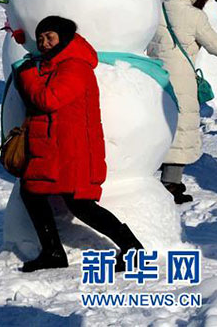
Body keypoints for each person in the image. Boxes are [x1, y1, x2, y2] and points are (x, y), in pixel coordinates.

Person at [15, 16, 143, 273]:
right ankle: (54, 251)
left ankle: (133, 249)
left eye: (50, 37)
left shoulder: (74, 66)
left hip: (71, 150)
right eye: (40, 39)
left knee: (80, 204)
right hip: (57, 148)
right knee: (34, 193)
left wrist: (28, 75)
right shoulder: (57, 65)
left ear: (64, 37)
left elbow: (48, 99)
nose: (44, 43)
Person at [147, 0, 217, 203]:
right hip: (181, 79)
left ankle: (154, 175)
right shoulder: (193, 15)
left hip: (154, 77)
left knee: (159, 124)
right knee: (181, 127)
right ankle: (171, 183)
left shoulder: (155, 10)